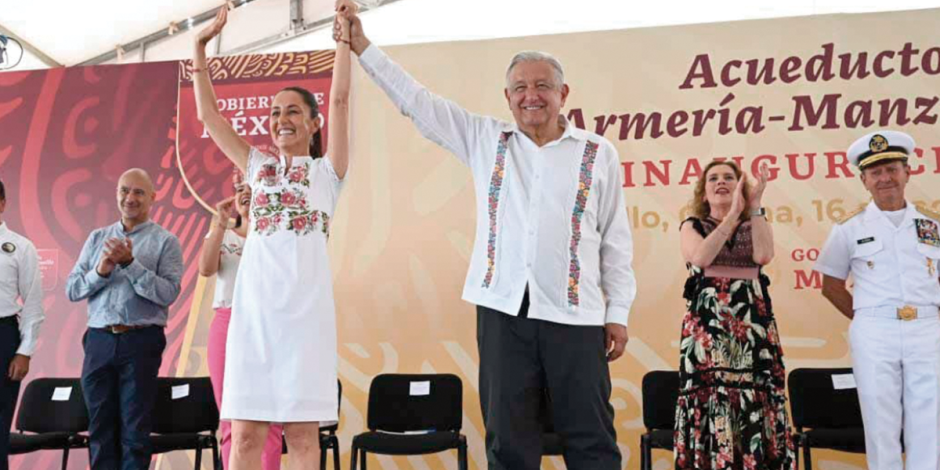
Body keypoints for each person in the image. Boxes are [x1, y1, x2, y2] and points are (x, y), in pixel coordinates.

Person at [345, 13, 636, 470]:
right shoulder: (485, 139)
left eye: (542, 85)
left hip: (577, 314)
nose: (530, 96)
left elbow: (615, 240)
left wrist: (617, 312)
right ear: (508, 97)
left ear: (563, 95)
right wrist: (364, 47)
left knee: (591, 438)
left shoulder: (598, 153)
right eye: (519, 87)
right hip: (504, 313)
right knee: (509, 440)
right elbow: (416, 102)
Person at [192, 1, 353, 468]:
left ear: (314, 123)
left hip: (305, 320)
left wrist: (342, 40)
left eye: (293, 112)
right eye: (275, 111)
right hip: (253, 318)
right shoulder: (257, 168)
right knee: (243, 438)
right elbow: (210, 119)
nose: (281, 119)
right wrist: (199, 49)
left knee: (303, 438)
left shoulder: (328, 173)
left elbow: (340, 99)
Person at [815, 130, 940, 470]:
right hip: (875, 330)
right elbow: (831, 284)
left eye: (892, 169)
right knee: (880, 421)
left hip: (928, 328)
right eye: (876, 172)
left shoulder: (932, 224)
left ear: (907, 173)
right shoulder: (849, 227)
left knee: (930, 422)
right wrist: (867, 318)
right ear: (864, 180)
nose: (885, 178)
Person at [673, 160, 794, 470]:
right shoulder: (692, 225)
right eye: (713, 178)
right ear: (704, 191)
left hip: (752, 326)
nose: (721, 182)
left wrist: (754, 206)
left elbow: (763, 255)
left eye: (729, 177)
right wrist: (729, 217)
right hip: (708, 330)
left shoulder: (754, 221)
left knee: (755, 401)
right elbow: (700, 257)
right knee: (714, 400)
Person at [65, 168, 183, 470]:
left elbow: (168, 292)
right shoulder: (97, 238)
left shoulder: (166, 241)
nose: (130, 198)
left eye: (139, 192)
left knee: (135, 429)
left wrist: (130, 264)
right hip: (99, 339)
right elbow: (73, 289)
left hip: (140, 339)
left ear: (153, 197)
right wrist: (102, 271)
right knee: (100, 428)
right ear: (117, 193)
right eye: (124, 190)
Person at [199, 172, 282, 470]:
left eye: (252, 188)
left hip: (266, 325)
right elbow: (206, 268)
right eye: (239, 190)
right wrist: (218, 226)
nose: (245, 194)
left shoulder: (277, 235)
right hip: (227, 321)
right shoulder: (226, 235)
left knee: (268, 420)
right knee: (231, 418)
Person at [0, 179, 44, 470]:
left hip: (3, 337)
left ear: (2, 203)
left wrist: (24, 350)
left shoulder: (20, 247)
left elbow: (33, 305)